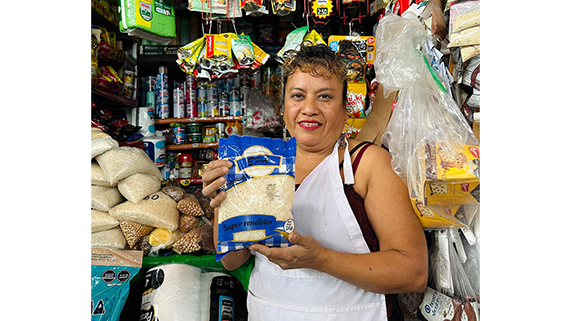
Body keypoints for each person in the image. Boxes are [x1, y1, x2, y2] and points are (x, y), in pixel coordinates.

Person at [202, 44, 428, 321]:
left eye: (325, 97)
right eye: (297, 96)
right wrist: (223, 205)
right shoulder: (257, 162)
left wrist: (320, 259)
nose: (309, 108)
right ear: (283, 107)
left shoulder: (368, 164)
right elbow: (232, 260)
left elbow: (412, 273)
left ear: (346, 109)